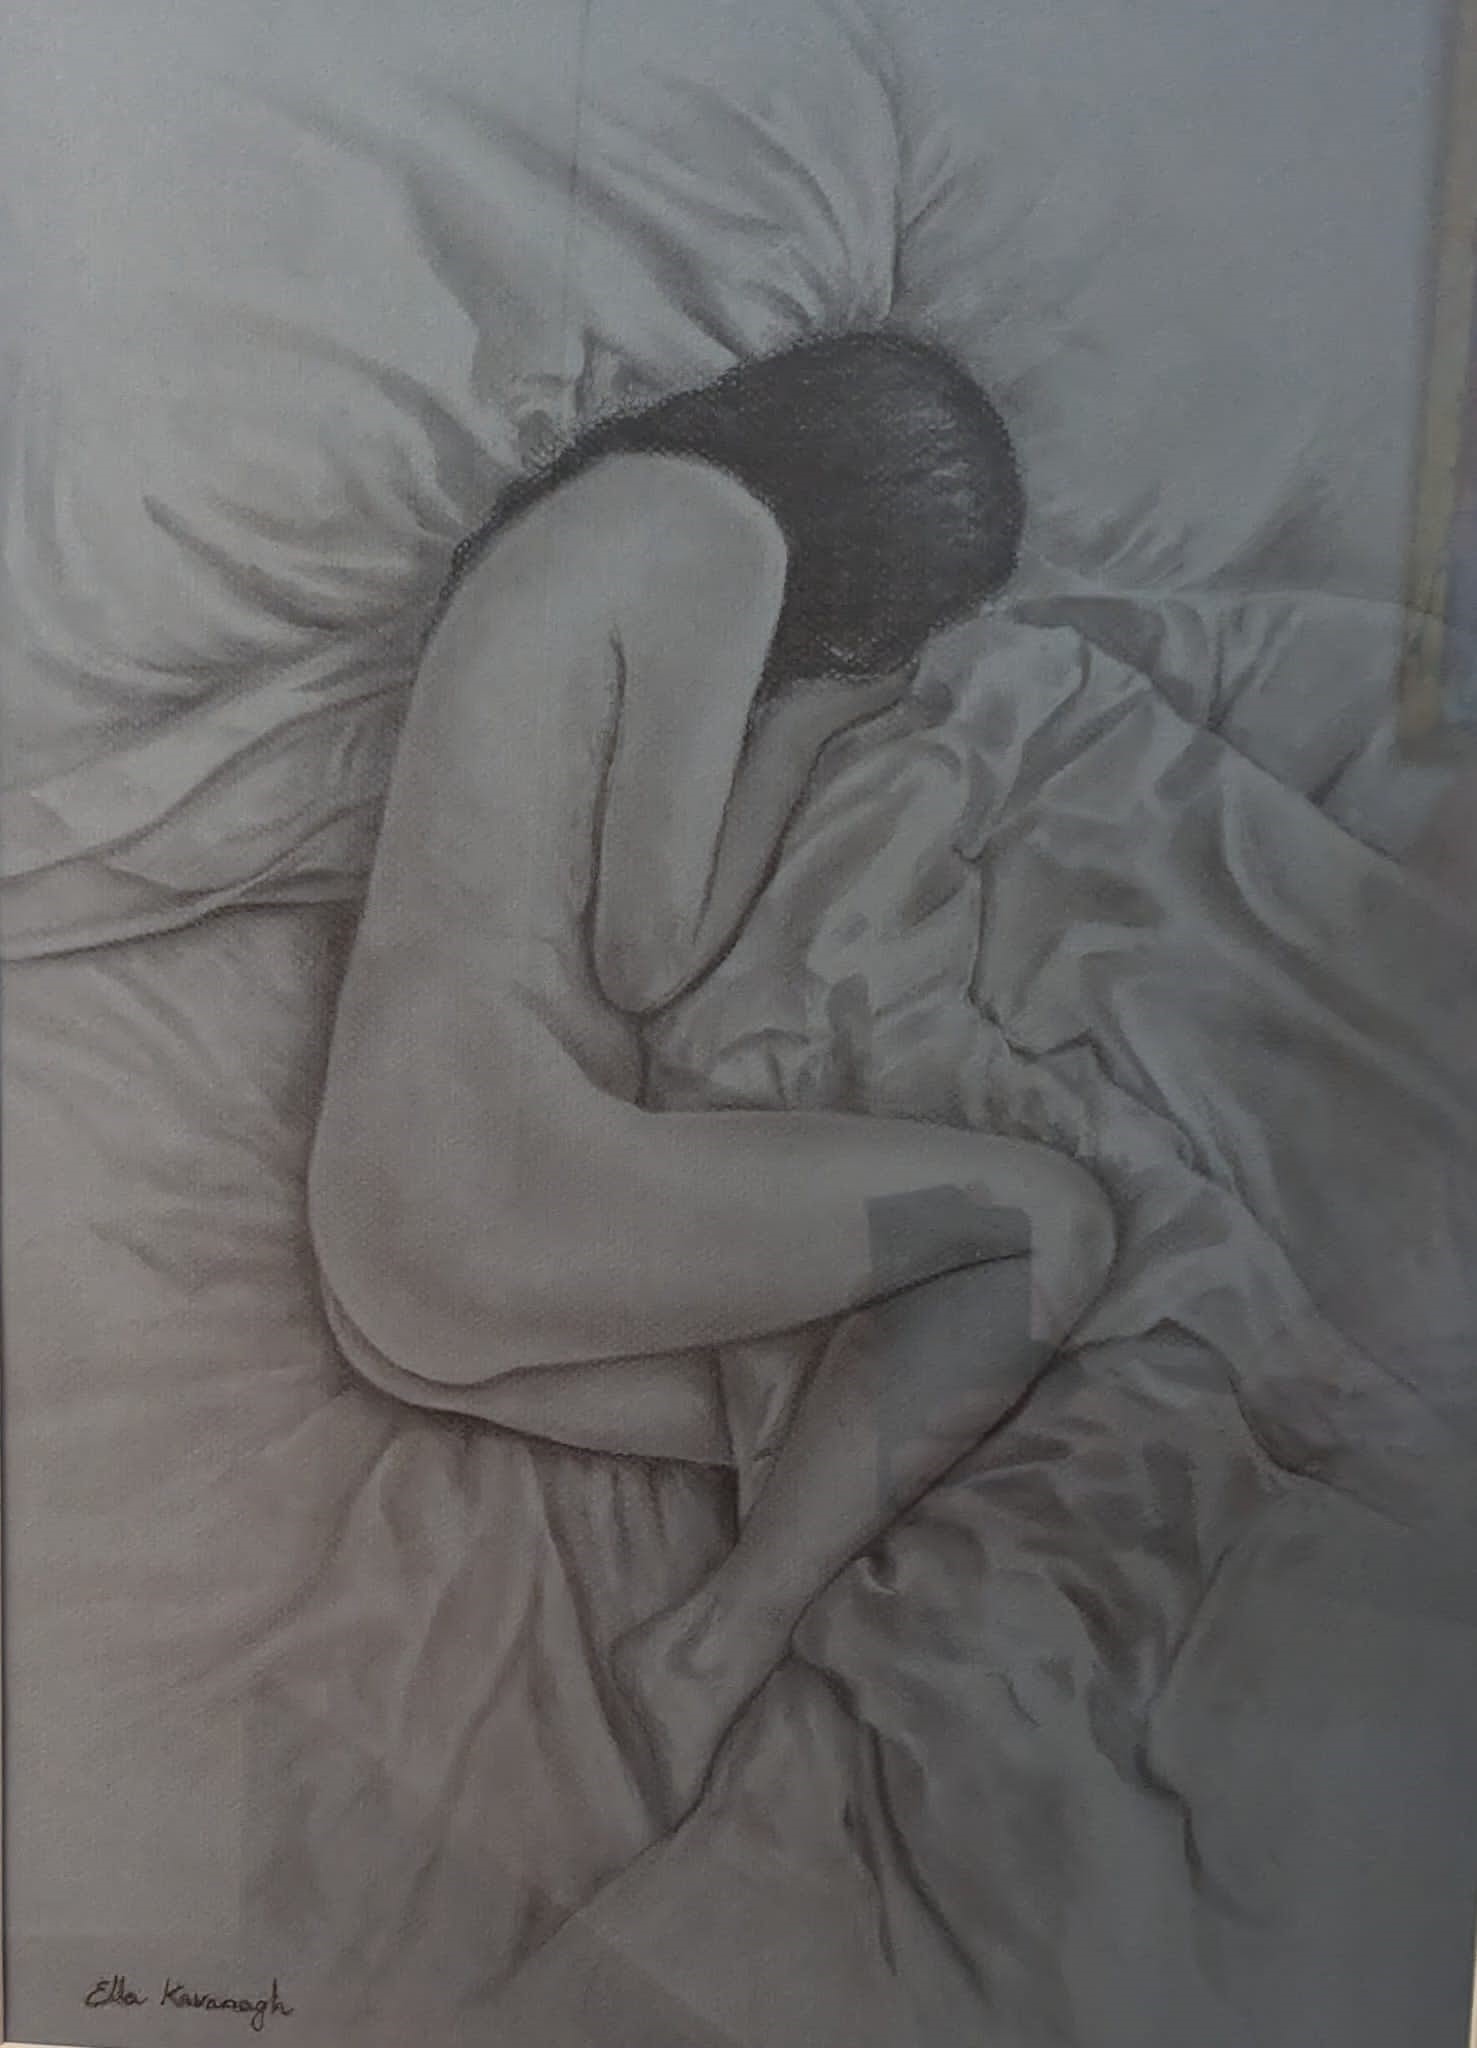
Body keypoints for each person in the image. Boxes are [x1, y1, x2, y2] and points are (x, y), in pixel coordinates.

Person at [307, 331, 1116, 1821]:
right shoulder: (711, 530)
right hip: (482, 1186)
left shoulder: (603, 513)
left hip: (392, 1234)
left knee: (869, 1410)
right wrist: (811, 720)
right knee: (1047, 1228)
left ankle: (728, 1645)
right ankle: (708, 1651)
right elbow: (646, 955)